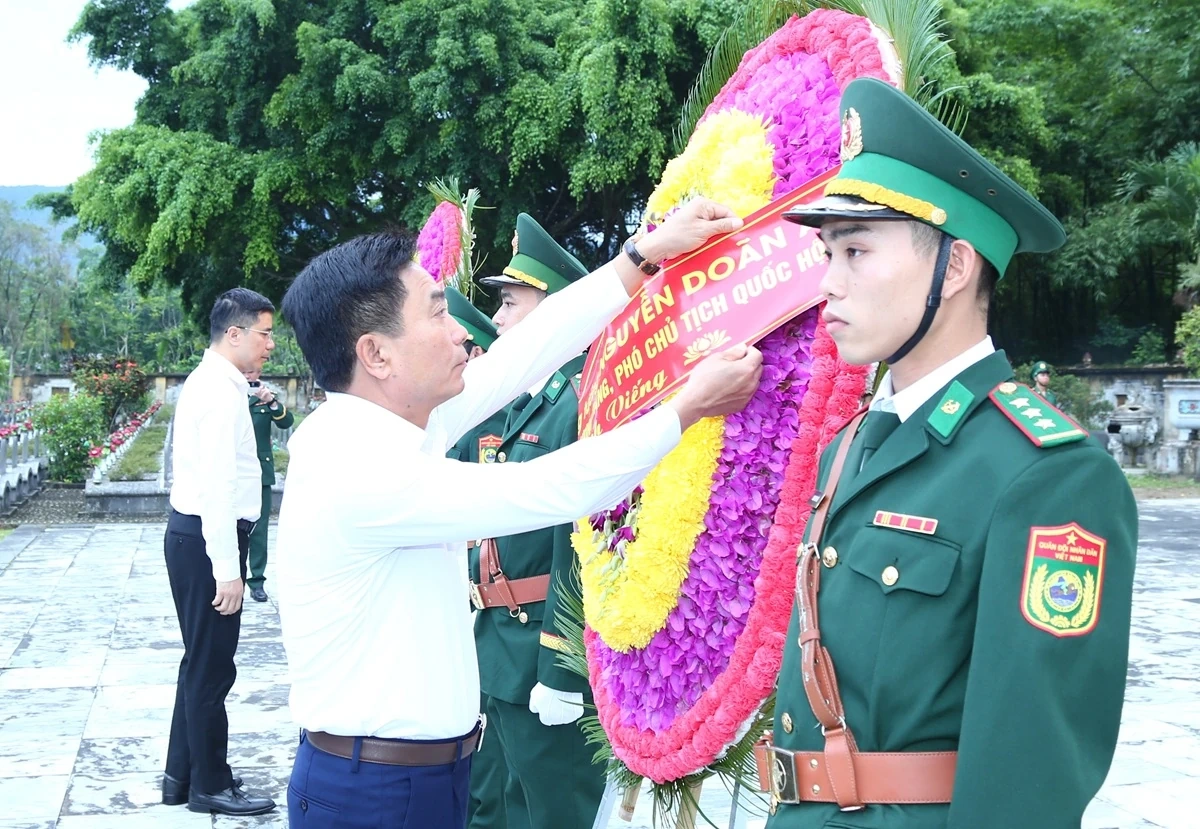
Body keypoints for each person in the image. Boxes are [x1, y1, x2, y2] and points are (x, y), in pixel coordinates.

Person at [275, 198, 763, 829]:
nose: (462, 331)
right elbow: (552, 488)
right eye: (437, 313)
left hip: (409, 775)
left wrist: (643, 255)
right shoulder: (360, 467)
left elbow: (526, 350)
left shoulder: (391, 424)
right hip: (374, 790)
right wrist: (686, 408)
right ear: (377, 355)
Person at [757, 78, 1137, 827]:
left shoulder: (1048, 476)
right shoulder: (851, 446)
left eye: (856, 250)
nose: (828, 284)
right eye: (828, 252)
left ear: (955, 268)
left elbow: (1031, 773)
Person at [466, 214, 604, 829]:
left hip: (538, 650)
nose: (497, 320)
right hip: (502, 645)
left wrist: (560, 668)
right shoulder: (531, 400)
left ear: (555, 312)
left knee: (551, 814)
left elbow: (581, 543)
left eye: (511, 303)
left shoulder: (579, 403)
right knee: (502, 807)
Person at [163, 288, 279, 816]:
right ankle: (211, 784)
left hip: (197, 537)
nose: (270, 345)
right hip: (207, 540)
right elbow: (216, 489)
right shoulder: (217, 390)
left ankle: (181, 776)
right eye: (265, 334)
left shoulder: (222, 383)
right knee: (212, 670)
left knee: (200, 662)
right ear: (234, 334)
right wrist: (228, 571)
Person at [443, 286, 510, 828]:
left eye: (512, 305)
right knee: (483, 788)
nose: (501, 318)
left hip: (512, 620)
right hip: (479, 610)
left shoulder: (520, 415)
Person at [243, 368, 295, 603]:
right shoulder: (228, 394)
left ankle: (256, 582)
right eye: (245, 372)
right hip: (232, 472)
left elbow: (286, 422)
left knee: (259, 530)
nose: (249, 376)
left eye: (253, 372)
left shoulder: (264, 397)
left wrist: (271, 402)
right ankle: (229, 578)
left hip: (259, 474)